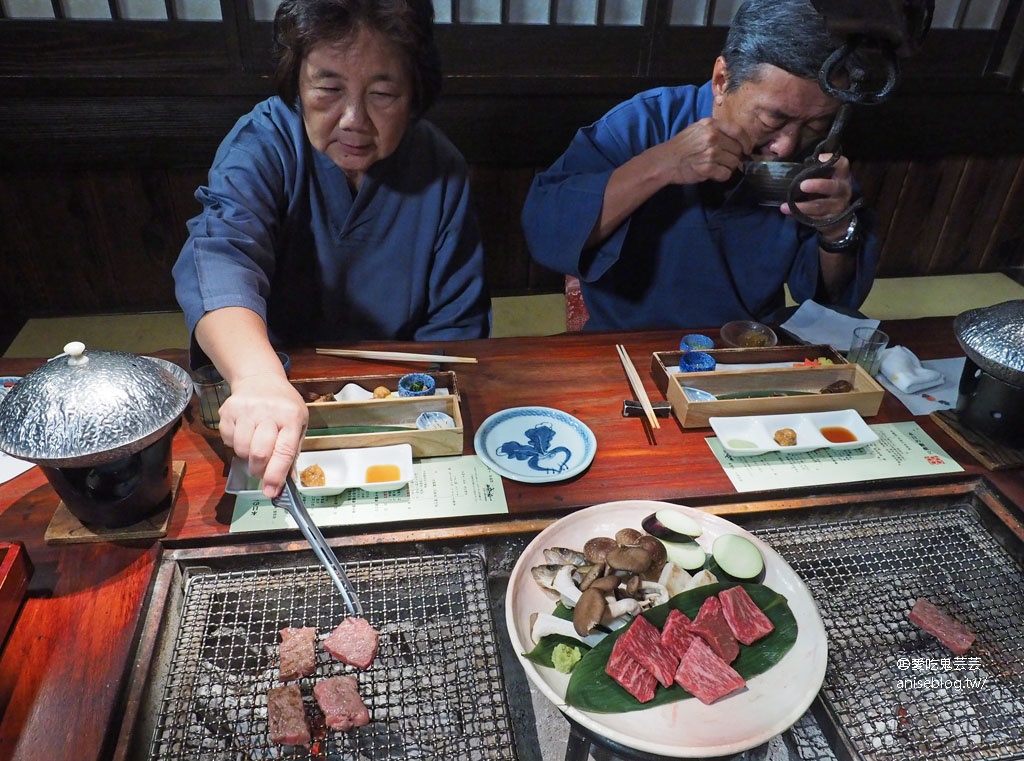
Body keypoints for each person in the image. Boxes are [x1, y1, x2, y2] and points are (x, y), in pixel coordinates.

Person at [173, 0, 489, 497]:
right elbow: (219, 256)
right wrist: (257, 377)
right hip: (276, 392)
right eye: (328, 88)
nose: (353, 119)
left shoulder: (440, 168)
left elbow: (455, 331)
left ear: (415, 95)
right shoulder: (266, 143)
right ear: (296, 80)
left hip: (399, 402)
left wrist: (416, 406)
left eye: (383, 93)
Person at [521, 0, 879, 332]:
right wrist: (661, 164)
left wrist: (837, 230)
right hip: (627, 344)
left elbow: (826, 303)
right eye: (773, 119)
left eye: (815, 125)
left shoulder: (817, 157)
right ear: (722, 80)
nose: (785, 145)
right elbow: (546, 231)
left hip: (747, 346)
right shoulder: (646, 122)